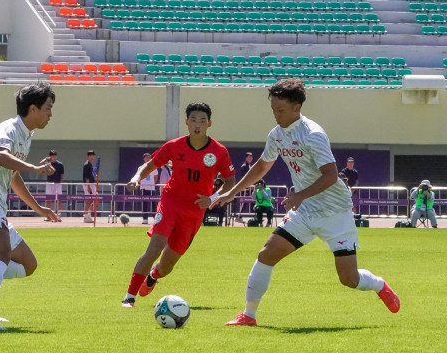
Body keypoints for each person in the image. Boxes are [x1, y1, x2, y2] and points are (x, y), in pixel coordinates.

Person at [213, 78, 400, 326]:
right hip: (306, 211)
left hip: (335, 213)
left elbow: (331, 175)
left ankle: (378, 284)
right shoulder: (277, 135)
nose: (276, 115)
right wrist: (233, 191)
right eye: (273, 110)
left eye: (280, 110)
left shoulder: (313, 135)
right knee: (267, 254)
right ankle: (249, 315)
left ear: (296, 108)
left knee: (349, 279)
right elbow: (262, 166)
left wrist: (300, 195)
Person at [121, 102, 236, 308]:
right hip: (171, 202)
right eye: (193, 120)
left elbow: (230, 182)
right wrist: (136, 178)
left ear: (209, 123)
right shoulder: (174, 146)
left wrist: (213, 198)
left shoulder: (219, 151)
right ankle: (129, 297)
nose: (197, 125)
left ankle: (154, 276)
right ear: (186, 122)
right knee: (154, 248)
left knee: (166, 265)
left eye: (202, 121)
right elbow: (148, 165)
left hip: (194, 210)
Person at [0, 82, 57, 332]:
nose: (50, 114)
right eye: (48, 108)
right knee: (2, 256)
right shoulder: (9, 128)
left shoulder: (26, 135)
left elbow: (13, 176)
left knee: (28, 265)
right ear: (33, 108)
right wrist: (36, 168)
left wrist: (39, 209)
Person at [41, 150, 64, 222]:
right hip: (49, 183)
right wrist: (46, 159)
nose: (53, 157)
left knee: (59, 200)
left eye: (54, 155)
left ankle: (59, 215)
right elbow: (40, 163)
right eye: (52, 156)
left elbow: (62, 175)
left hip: (57, 183)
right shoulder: (48, 164)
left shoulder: (60, 165)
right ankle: (48, 216)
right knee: (48, 200)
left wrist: (60, 183)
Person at [234, 152, 254, 222]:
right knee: (244, 202)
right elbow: (243, 178)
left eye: (251, 157)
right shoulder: (244, 166)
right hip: (246, 188)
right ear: (246, 158)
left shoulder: (250, 166)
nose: (250, 158)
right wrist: (247, 186)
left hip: (251, 187)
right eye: (249, 157)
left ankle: (256, 217)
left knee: (253, 201)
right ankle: (239, 217)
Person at [140, 152, 158, 225]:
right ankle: (145, 219)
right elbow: (139, 177)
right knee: (144, 203)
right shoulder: (140, 167)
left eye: (149, 158)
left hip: (151, 188)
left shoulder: (154, 167)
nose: (148, 159)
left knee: (154, 203)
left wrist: (152, 184)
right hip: (143, 187)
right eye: (147, 158)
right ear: (144, 159)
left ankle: (155, 218)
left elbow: (155, 177)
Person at [82, 150, 98, 223]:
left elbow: (91, 175)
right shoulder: (86, 165)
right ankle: (85, 216)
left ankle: (89, 214)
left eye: (93, 155)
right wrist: (88, 186)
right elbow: (86, 177)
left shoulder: (91, 165)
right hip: (88, 184)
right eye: (90, 155)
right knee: (89, 200)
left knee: (95, 199)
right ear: (88, 156)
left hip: (92, 184)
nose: (92, 157)